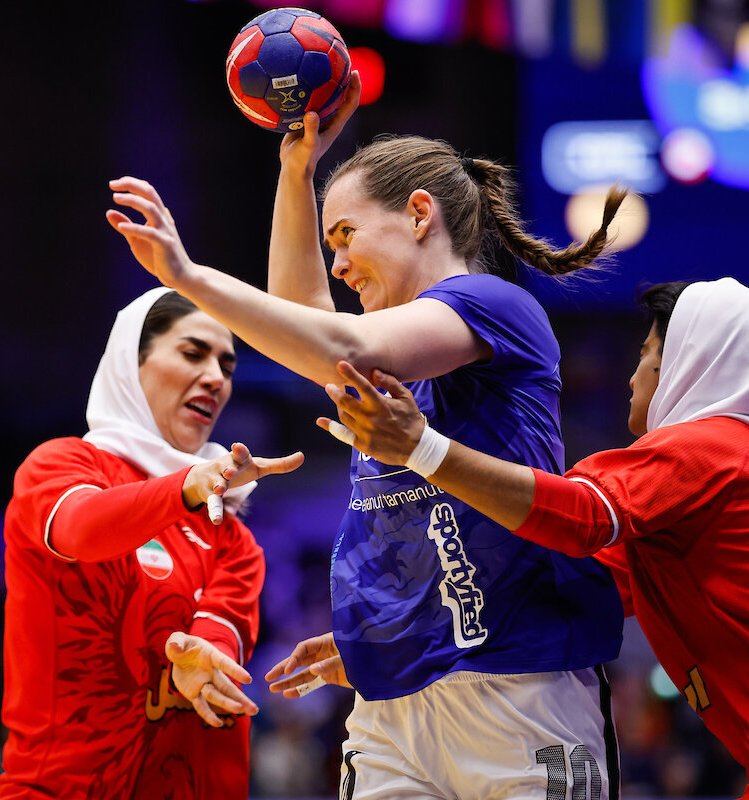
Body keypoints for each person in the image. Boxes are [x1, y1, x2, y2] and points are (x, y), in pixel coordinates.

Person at [108, 76, 626, 799]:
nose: (339, 264)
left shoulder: (493, 304)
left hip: (520, 686)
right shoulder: (377, 347)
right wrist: (297, 173)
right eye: (330, 246)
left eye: (346, 237)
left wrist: (188, 276)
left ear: (420, 214)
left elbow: (338, 343)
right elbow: (305, 326)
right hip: (394, 705)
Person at [317, 277, 749, 799]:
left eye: (647, 354)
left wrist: (422, 449)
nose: (632, 379)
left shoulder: (708, 451)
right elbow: (577, 587)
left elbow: (581, 517)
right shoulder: (742, 475)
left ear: (688, 360)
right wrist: (400, 639)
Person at [0, 288, 304, 799]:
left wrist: (204, 658)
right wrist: (187, 484)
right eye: (192, 353)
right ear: (129, 364)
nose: (215, 378)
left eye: (227, 367)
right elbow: (80, 530)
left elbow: (218, 630)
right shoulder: (62, 465)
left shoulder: (231, 534)